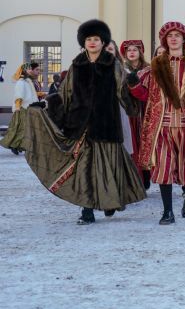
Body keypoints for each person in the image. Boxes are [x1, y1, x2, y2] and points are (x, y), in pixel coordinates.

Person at [24, 19, 146, 225]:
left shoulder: (113, 64)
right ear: (84, 42)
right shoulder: (77, 65)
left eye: (96, 39)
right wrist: (45, 104)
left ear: (102, 41)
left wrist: (133, 91)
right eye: (89, 39)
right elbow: (64, 93)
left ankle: (111, 200)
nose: (92, 42)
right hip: (80, 124)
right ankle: (87, 210)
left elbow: (122, 92)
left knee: (108, 167)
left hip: (106, 123)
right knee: (84, 169)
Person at [128, 21, 185, 224]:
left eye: (177, 35)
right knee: (163, 168)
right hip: (162, 126)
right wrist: (134, 87)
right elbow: (145, 95)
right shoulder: (155, 66)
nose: (173, 38)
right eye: (169, 35)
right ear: (165, 40)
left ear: (183, 39)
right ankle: (167, 212)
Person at [120, 40, 151, 188]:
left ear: (140, 52)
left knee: (145, 144)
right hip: (129, 113)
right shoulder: (121, 70)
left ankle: (146, 175)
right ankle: (134, 179)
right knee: (132, 144)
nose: (131, 52)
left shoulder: (148, 70)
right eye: (129, 50)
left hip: (146, 110)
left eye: (135, 50)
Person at [0, 62, 43, 155]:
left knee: (25, 129)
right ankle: (15, 145)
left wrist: (42, 94)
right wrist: (18, 107)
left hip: (28, 108)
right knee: (21, 129)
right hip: (22, 108)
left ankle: (19, 146)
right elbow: (19, 96)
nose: (31, 71)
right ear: (24, 71)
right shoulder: (21, 82)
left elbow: (31, 94)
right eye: (29, 69)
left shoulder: (28, 82)